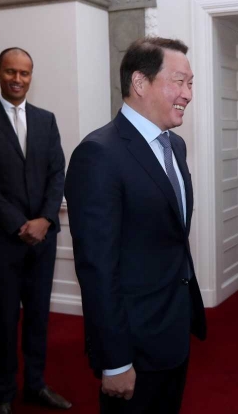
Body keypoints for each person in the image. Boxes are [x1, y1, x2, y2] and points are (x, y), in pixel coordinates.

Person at [65, 37, 207, 414]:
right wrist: (115, 360)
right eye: (179, 81)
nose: (188, 94)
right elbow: (96, 268)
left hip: (173, 331)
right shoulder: (98, 155)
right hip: (133, 342)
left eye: (191, 83)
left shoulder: (175, 146)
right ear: (140, 83)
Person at [0, 48, 71, 414]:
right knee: (6, 321)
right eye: (10, 71)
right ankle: (4, 395)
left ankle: (35, 385)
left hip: (43, 239)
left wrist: (44, 220)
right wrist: (18, 224)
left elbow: (58, 173)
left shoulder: (47, 120)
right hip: (2, 241)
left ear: (31, 76)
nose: (17, 79)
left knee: (39, 318)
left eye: (24, 73)